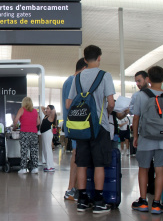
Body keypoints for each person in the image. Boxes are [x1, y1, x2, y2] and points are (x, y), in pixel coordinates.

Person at [66, 45, 115, 213]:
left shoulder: (77, 78)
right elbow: (111, 103)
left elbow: (68, 103)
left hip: (81, 127)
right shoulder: (105, 76)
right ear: (99, 57)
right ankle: (99, 201)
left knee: (82, 164)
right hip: (100, 127)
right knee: (99, 164)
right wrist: (107, 112)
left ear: (85, 59)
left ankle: (82, 200)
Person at [131, 66, 163, 215]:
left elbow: (136, 117)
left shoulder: (141, 95)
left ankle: (143, 201)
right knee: (160, 169)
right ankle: (157, 203)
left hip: (145, 138)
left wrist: (136, 136)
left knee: (143, 168)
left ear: (148, 79)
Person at [63, 58, 87, 200]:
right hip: (77, 125)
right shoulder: (74, 81)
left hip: (73, 124)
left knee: (77, 154)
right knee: (77, 155)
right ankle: (71, 188)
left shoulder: (68, 81)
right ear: (84, 68)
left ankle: (74, 188)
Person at [13, 96, 40, 174]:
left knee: (24, 151)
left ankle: (23, 168)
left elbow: (16, 120)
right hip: (34, 133)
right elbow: (38, 122)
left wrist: (14, 127)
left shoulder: (22, 110)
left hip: (24, 133)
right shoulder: (35, 111)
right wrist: (32, 124)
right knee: (34, 150)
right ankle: (35, 168)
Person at [40, 105, 57, 172]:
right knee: (45, 150)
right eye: (46, 108)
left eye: (48, 108)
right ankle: (48, 165)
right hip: (44, 134)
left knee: (48, 149)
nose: (46, 109)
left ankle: (50, 166)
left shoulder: (51, 116)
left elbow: (54, 111)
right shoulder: (46, 115)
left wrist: (51, 109)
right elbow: (41, 107)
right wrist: (47, 109)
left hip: (47, 133)